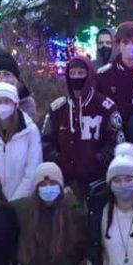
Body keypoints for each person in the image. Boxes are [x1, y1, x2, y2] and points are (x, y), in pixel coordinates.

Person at [41, 56, 124, 197]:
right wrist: (58, 159)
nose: (76, 77)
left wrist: (98, 159)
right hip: (65, 183)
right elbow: (46, 142)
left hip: (98, 183)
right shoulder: (58, 108)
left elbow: (117, 142)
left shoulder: (106, 106)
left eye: (81, 73)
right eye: (72, 73)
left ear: (89, 75)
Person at [0, 83, 43, 201]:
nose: (2, 105)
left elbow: (33, 169)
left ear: (15, 103)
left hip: (23, 202)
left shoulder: (30, 131)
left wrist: (16, 201)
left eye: (7, 101)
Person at [96, 21, 133, 126]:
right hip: (113, 132)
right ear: (118, 45)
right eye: (125, 42)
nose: (130, 46)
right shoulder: (104, 75)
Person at [0, 53, 37, 122]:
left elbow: (28, 127)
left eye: (7, 74)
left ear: (16, 79)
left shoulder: (26, 101)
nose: (1, 79)